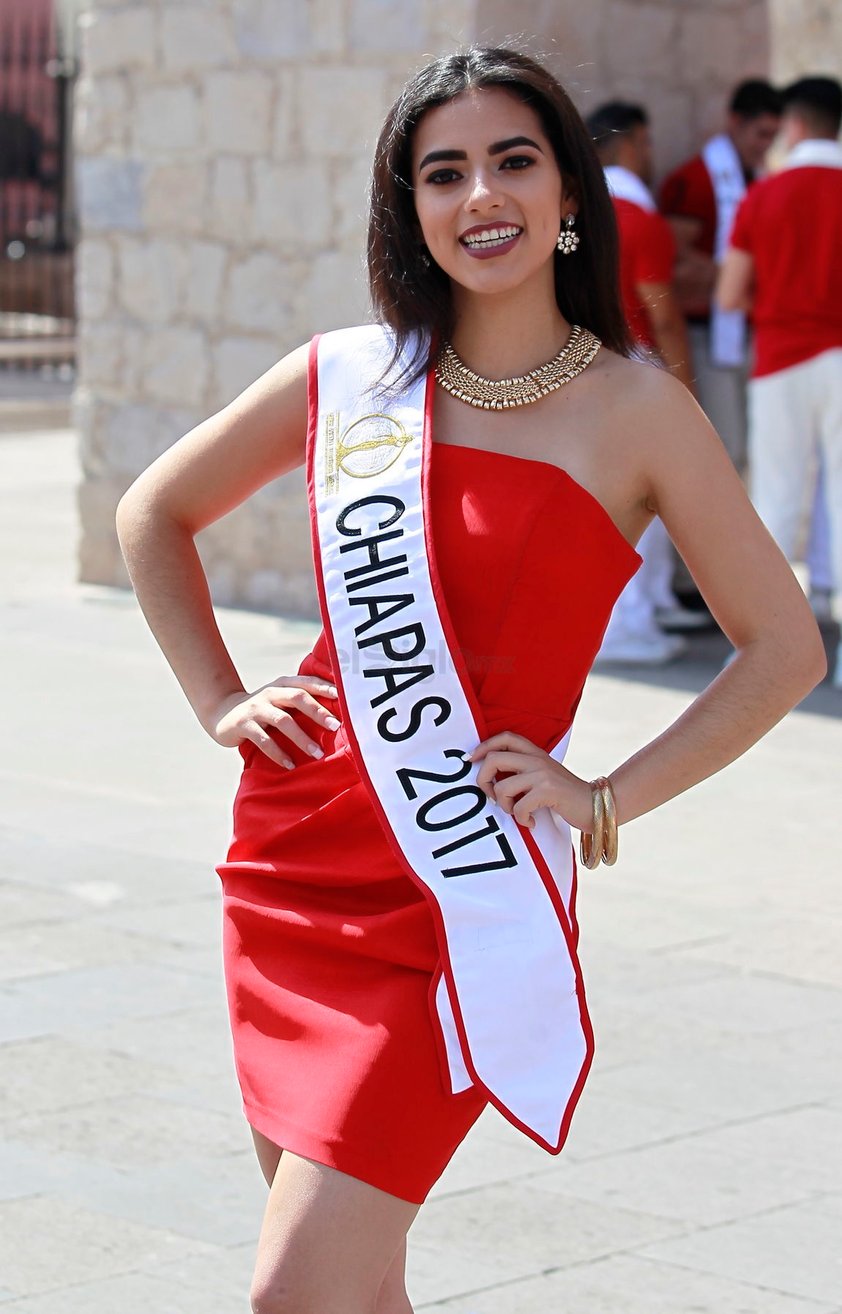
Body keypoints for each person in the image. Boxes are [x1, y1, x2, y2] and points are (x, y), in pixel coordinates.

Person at [116, 47, 825, 1314]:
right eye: (441, 171)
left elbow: (783, 648)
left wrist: (604, 794)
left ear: (566, 196)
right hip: (295, 861)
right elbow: (153, 513)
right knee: (352, 1292)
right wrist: (220, 697)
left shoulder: (636, 411)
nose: (477, 194)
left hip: (454, 894)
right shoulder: (351, 377)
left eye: (512, 160)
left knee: (295, 1293)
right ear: (411, 209)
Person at [717, 75, 842, 689]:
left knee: (776, 498)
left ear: (792, 127)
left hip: (781, 359)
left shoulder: (764, 195)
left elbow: (729, 292)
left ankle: (760, 655)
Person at [586, 100, 704, 663]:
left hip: (575, 361)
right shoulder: (640, 220)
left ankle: (644, 607)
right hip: (632, 360)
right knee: (642, 496)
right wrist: (686, 392)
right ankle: (629, 623)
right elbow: (662, 317)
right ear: (630, 143)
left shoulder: (574, 217)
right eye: (647, 143)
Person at [659, 79, 782, 472]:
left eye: (774, 136)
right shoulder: (697, 179)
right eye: (761, 133)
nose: (766, 145)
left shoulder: (759, 178)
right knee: (722, 449)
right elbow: (673, 259)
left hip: (747, 329)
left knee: (753, 450)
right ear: (735, 122)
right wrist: (735, 275)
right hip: (706, 332)